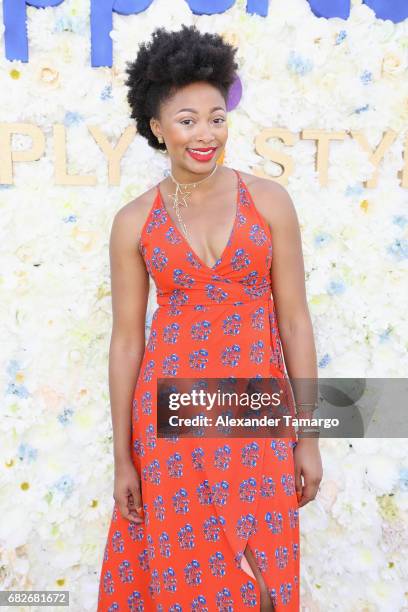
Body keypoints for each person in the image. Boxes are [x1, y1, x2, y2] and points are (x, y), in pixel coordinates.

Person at [97, 24, 322, 612]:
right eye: (187, 120)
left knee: (264, 570)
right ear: (156, 127)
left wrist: (308, 435)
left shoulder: (268, 202)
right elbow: (126, 344)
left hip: (258, 413)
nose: (206, 134)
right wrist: (123, 455)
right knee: (181, 569)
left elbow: (295, 322)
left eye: (217, 117)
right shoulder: (133, 222)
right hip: (170, 421)